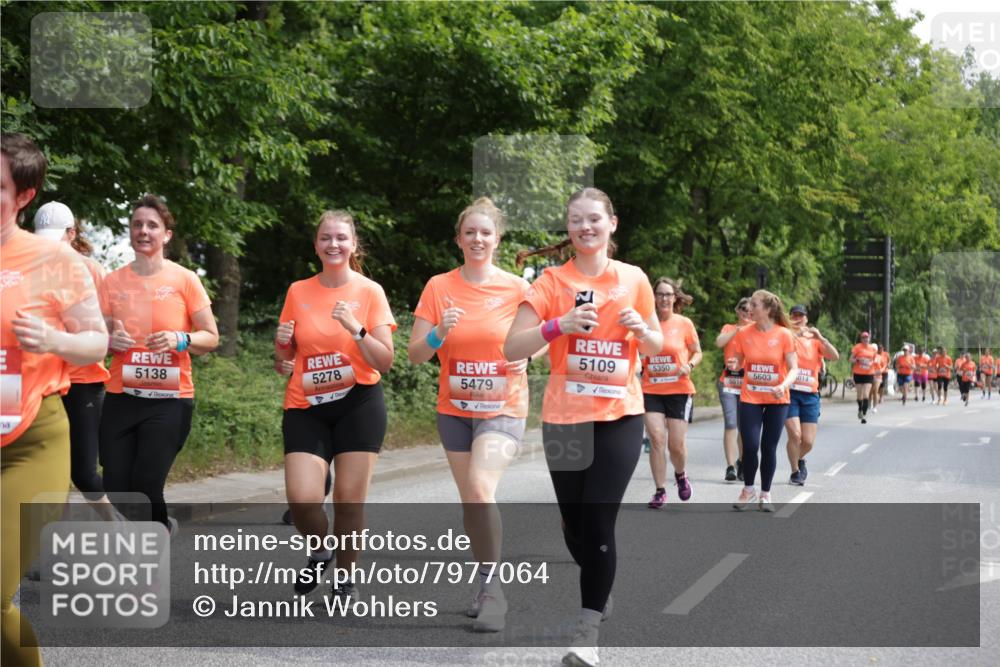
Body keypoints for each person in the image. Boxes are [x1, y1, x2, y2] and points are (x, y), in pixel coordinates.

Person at [505, 187, 662, 667]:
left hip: (620, 415)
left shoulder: (633, 279)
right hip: (565, 419)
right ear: (568, 228)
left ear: (612, 223)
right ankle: (599, 576)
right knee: (575, 529)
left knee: (597, 521)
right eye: (576, 220)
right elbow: (512, 346)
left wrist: (642, 331)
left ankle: (586, 631)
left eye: (594, 218)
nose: (585, 227)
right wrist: (560, 325)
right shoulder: (552, 281)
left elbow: (655, 346)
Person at [2, 133, 108, 667]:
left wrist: (52, 340)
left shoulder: (54, 259)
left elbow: (97, 342)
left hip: (30, 441)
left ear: (24, 196)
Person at [408, 198, 530, 632]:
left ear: (498, 239)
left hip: (503, 406)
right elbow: (416, 354)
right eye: (470, 232)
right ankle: (483, 582)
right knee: (472, 500)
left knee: (479, 488)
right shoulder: (438, 287)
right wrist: (440, 332)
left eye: (485, 232)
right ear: (458, 239)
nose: (478, 239)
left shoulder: (518, 288)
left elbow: (544, 338)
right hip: (455, 410)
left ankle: (494, 592)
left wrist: (529, 355)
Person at [276, 210, 395, 604]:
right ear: (316, 245)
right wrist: (281, 345)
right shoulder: (298, 291)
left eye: (341, 238)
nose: (333, 244)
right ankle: (320, 552)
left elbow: (384, 361)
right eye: (326, 238)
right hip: (306, 404)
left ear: (353, 244)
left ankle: (345, 577)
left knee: (348, 499)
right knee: (302, 499)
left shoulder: (370, 292)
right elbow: (284, 360)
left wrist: (356, 329)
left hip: (358, 404)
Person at [99, 194, 219, 533]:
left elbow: (211, 337)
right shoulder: (112, 282)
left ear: (166, 235)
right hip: (121, 395)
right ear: (130, 231)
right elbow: (97, 336)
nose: (144, 231)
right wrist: (109, 341)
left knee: (147, 482)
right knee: (116, 486)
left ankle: (151, 547)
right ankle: (159, 528)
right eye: (137, 224)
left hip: (170, 399)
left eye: (152, 225)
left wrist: (180, 339)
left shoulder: (184, 279)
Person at [32, 202, 118, 521]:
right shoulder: (28, 269)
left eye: (57, 237)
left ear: (72, 233)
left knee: (83, 473)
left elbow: (108, 325)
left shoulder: (90, 270)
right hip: (42, 383)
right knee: (45, 470)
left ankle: (122, 526)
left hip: (83, 381)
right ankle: (54, 539)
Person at [725, 290, 798, 512]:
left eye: (754, 305)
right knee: (750, 445)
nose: (750, 309)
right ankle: (748, 490)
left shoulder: (784, 335)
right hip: (751, 396)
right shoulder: (744, 333)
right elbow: (738, 360)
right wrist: (734, 363)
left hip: (778, 398)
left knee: (768, 447)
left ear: (767, 309)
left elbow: (794, 368)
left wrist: (783, 385)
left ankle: (765, 494)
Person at [642, 277, 701, 507]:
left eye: (668, 294)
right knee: (657, 439)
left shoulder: (684, 323)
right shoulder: (645, 325)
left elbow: (697, 352)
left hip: (678, 390)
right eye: (660, 294)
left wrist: (690, 365)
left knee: (675, 445)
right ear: (654, 297)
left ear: (675, 298)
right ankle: (660, 491)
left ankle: (680, 474)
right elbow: (637, 352)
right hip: (651, 389)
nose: (664, 298)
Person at [785, 305, 839, 486]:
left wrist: (821, 338)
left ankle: (799, 458)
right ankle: (795, 472)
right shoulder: (786, 335)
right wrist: (796, 335)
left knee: (807, 442)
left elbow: (835, 356)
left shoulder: (814, 340)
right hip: (790, 392)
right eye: (794, 315)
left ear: (806, 319)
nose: (797, 318)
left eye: (801, 316)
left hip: (810, 394)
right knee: (795, 435)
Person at [715, 298, 752, 482]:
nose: (746, 313)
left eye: (750, 310)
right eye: (743, 309)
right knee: (731, 424)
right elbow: (719, 343)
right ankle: (730, 467)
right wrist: (737, 329)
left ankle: (742, 462)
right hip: (728, 383)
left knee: (744, 428)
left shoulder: (757, 331)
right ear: (737, 310)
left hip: (748, 385)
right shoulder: (729, 328)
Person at [849, 331, 877, 423]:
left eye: (867, 337)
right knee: (859, 395)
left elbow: (875, 361)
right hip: (858, 373)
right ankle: (860, 408)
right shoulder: (857, 347)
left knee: (866, 394)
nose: (865, 339)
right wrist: (858, 360)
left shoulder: (872, 349)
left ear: (869, 338)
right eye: (864, 338)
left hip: (869, 374)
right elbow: (851, 359)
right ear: (861, 339)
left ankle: (864, 414)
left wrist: (870, 363)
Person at [870, 343, 884, 413]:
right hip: (869, 375)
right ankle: (869, 403)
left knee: (875, 391)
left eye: (874, 350)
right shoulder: (868, 357)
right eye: (871, 349)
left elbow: (884, 366)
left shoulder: (880, 357)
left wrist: (881, 370)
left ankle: (875, 407)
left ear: (876, 350)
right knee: (870, 392)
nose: (872, 351)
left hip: (878, 376)